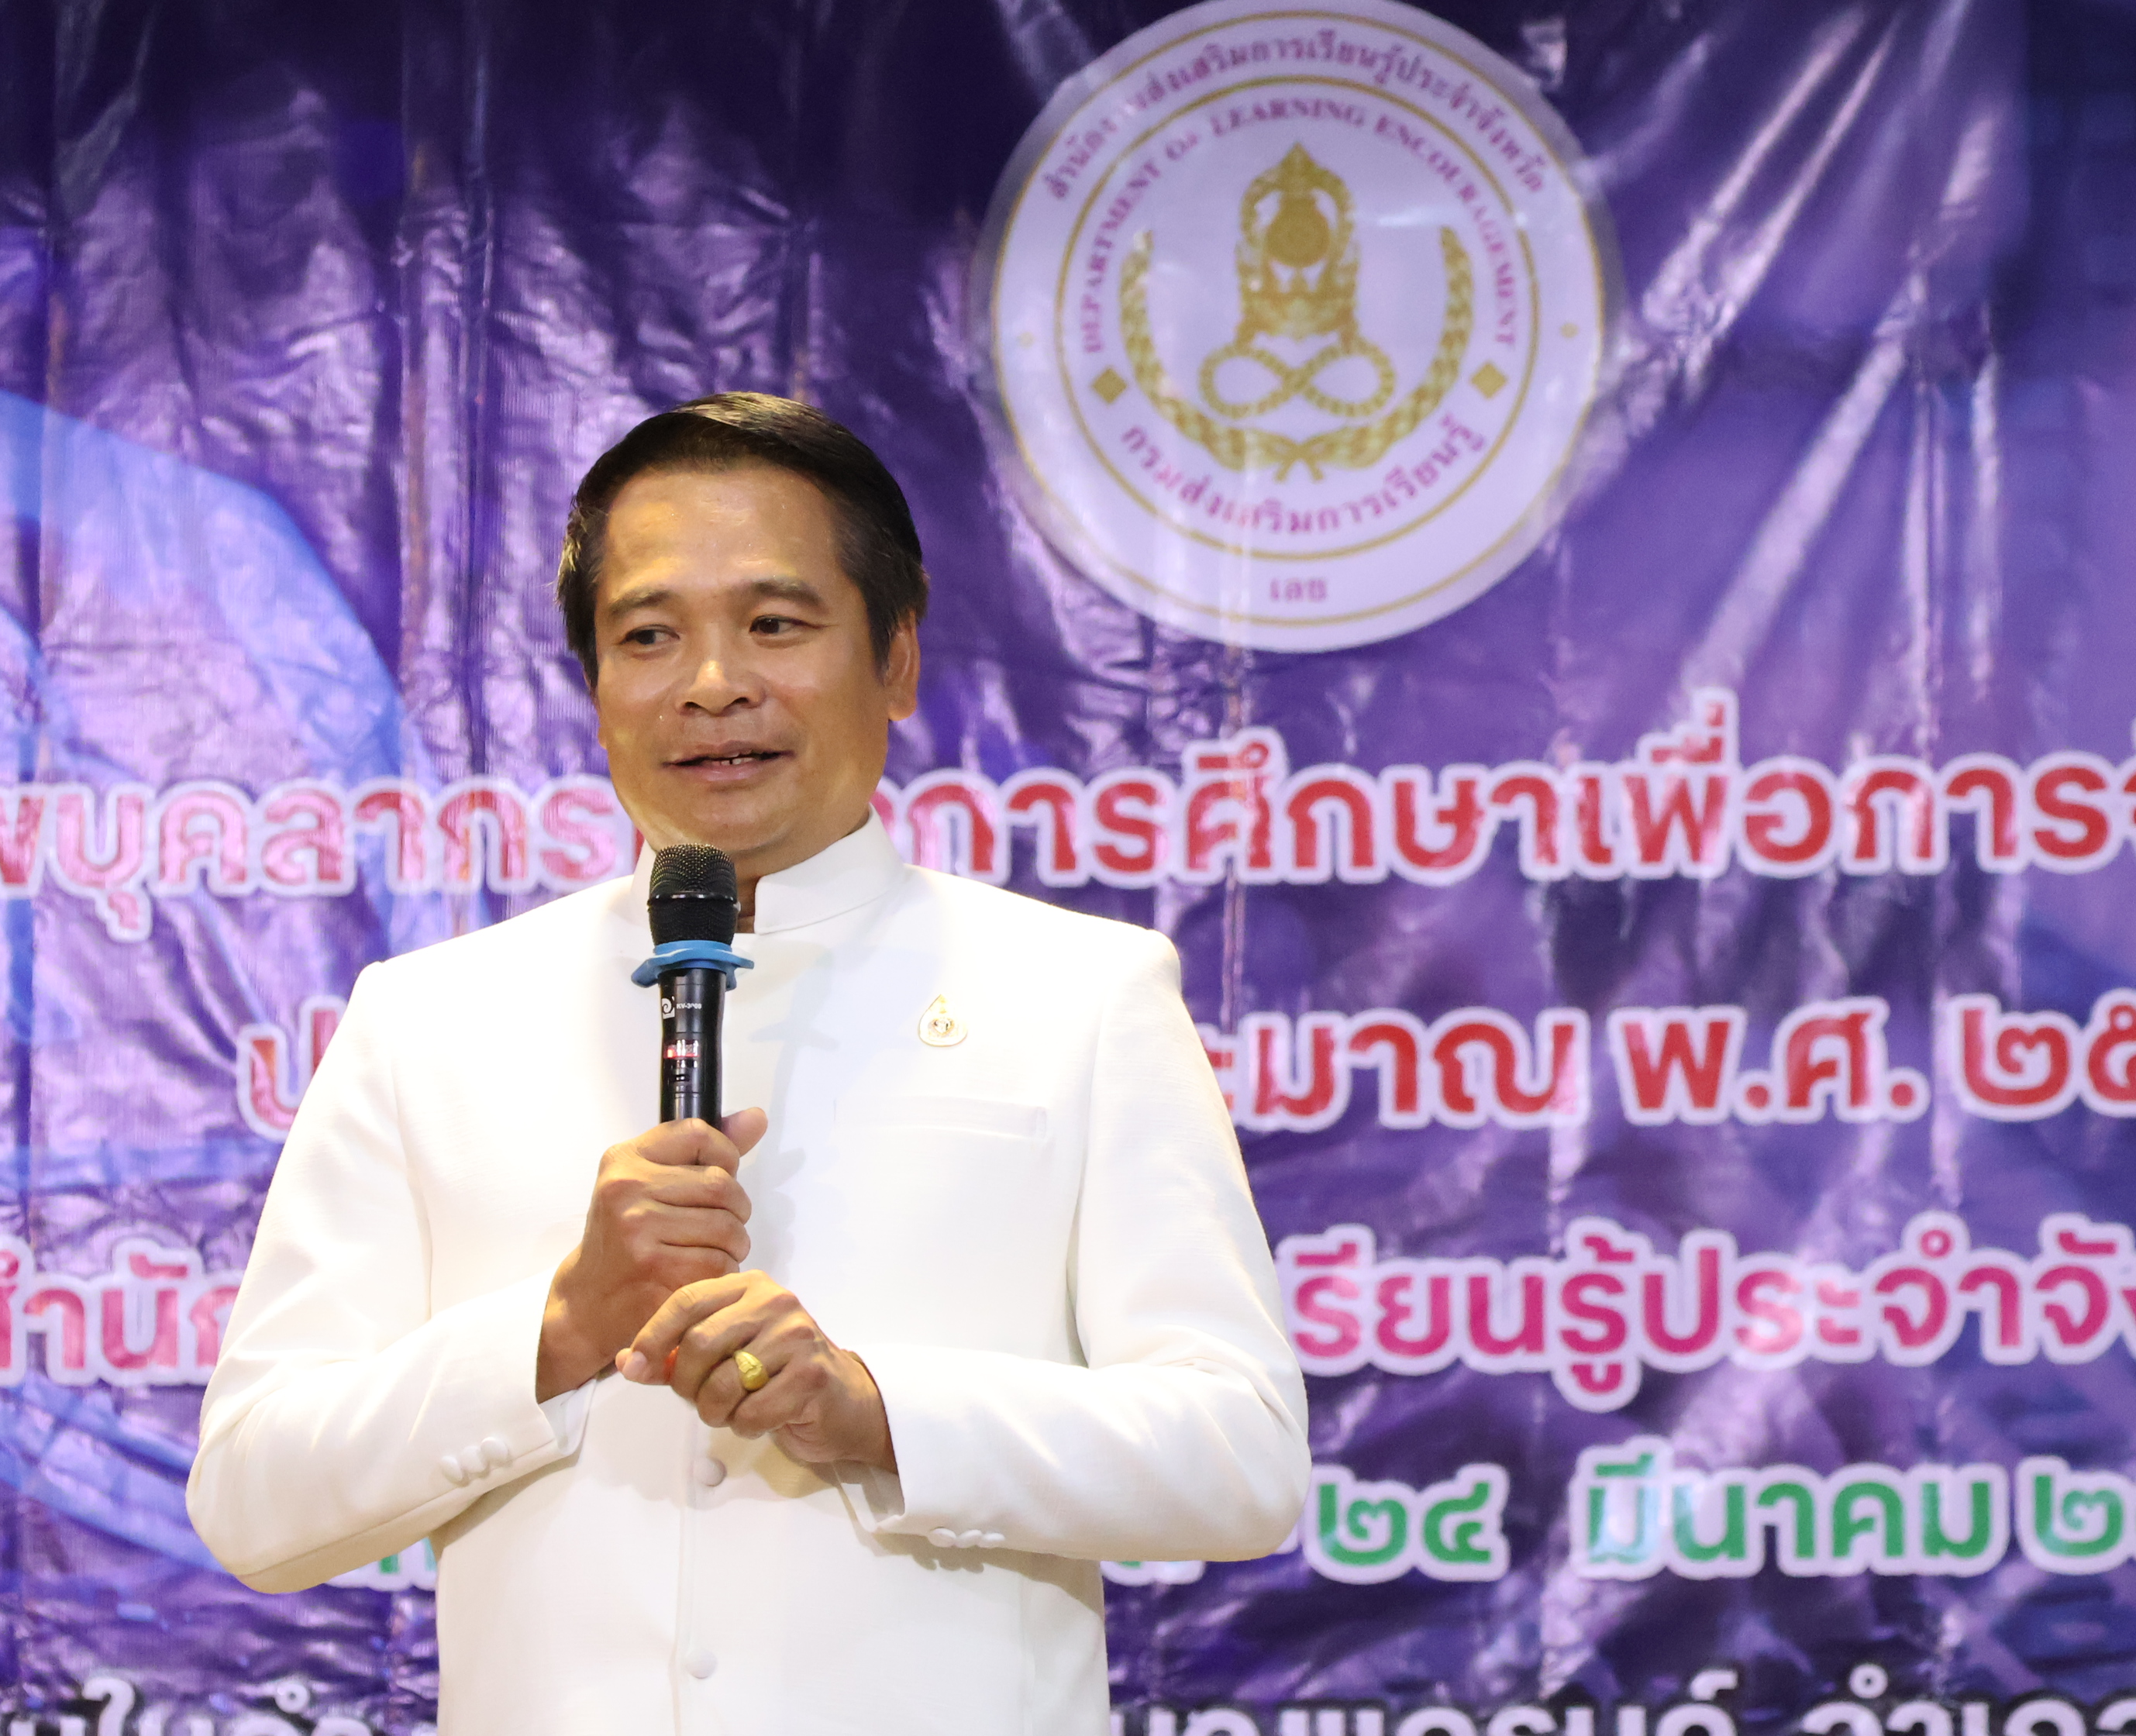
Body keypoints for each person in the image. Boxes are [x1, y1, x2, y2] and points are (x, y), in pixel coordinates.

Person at [188, 391, 1307, 1734]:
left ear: (896, 658)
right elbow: (253, 1500)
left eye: (775, 624)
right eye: (649, 635)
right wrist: (558, 1331)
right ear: (595, 686)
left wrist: (880, 1410)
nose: (713, 683)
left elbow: (1242, 1458)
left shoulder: (1080, 995)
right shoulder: (427, 1019)